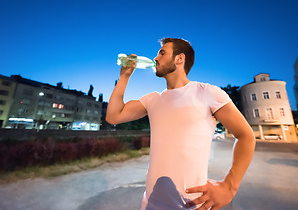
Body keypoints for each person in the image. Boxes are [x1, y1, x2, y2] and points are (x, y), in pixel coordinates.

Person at [106, 38, 256, 210]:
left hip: (192, 205)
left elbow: (246, 136)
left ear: (179, 59)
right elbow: (113, 116)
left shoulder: (208, 93)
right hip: (150, 205)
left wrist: (230, 186)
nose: (155, 58)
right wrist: (124, 77)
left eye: (162, 53)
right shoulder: (153, 99)